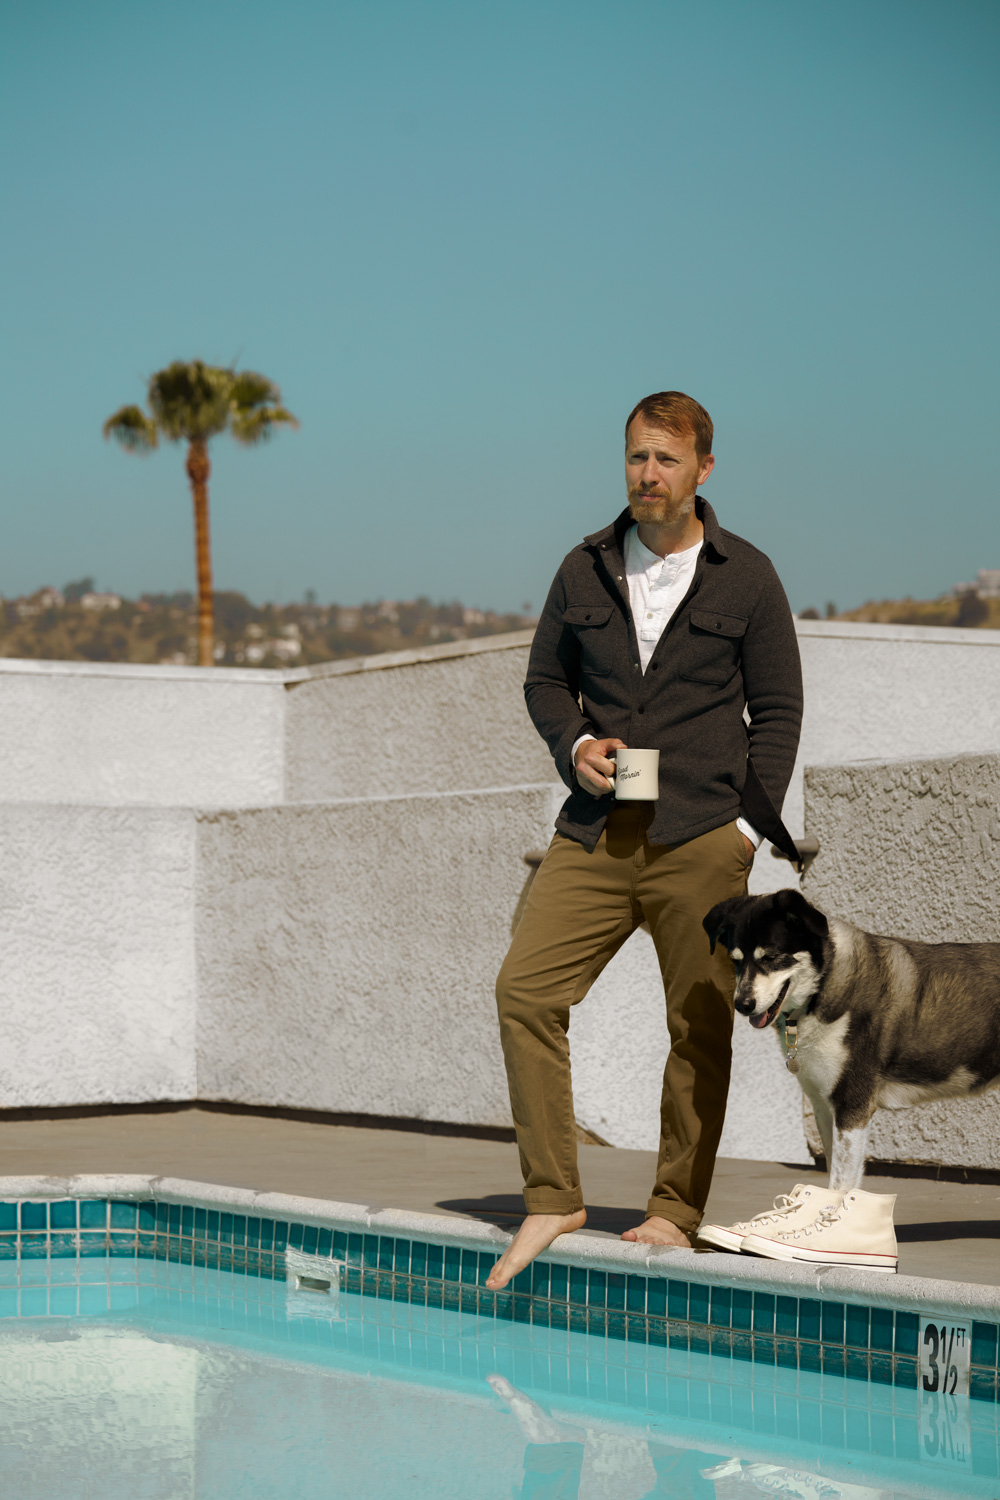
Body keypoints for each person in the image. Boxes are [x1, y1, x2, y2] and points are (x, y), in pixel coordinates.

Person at [486, 390, 803, 1291]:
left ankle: (675, 1211)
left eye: (666, 460)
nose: (648, 475)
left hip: (703, 836)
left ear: (704, 469)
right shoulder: (582, 567)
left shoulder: (749, 577)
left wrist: (748, 830)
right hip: (594, 830)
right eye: (635, 458)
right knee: (524, 990)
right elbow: (545, 680)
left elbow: (777, 712)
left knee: (698, 1025)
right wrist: (574, 744)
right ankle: (554, 1194)